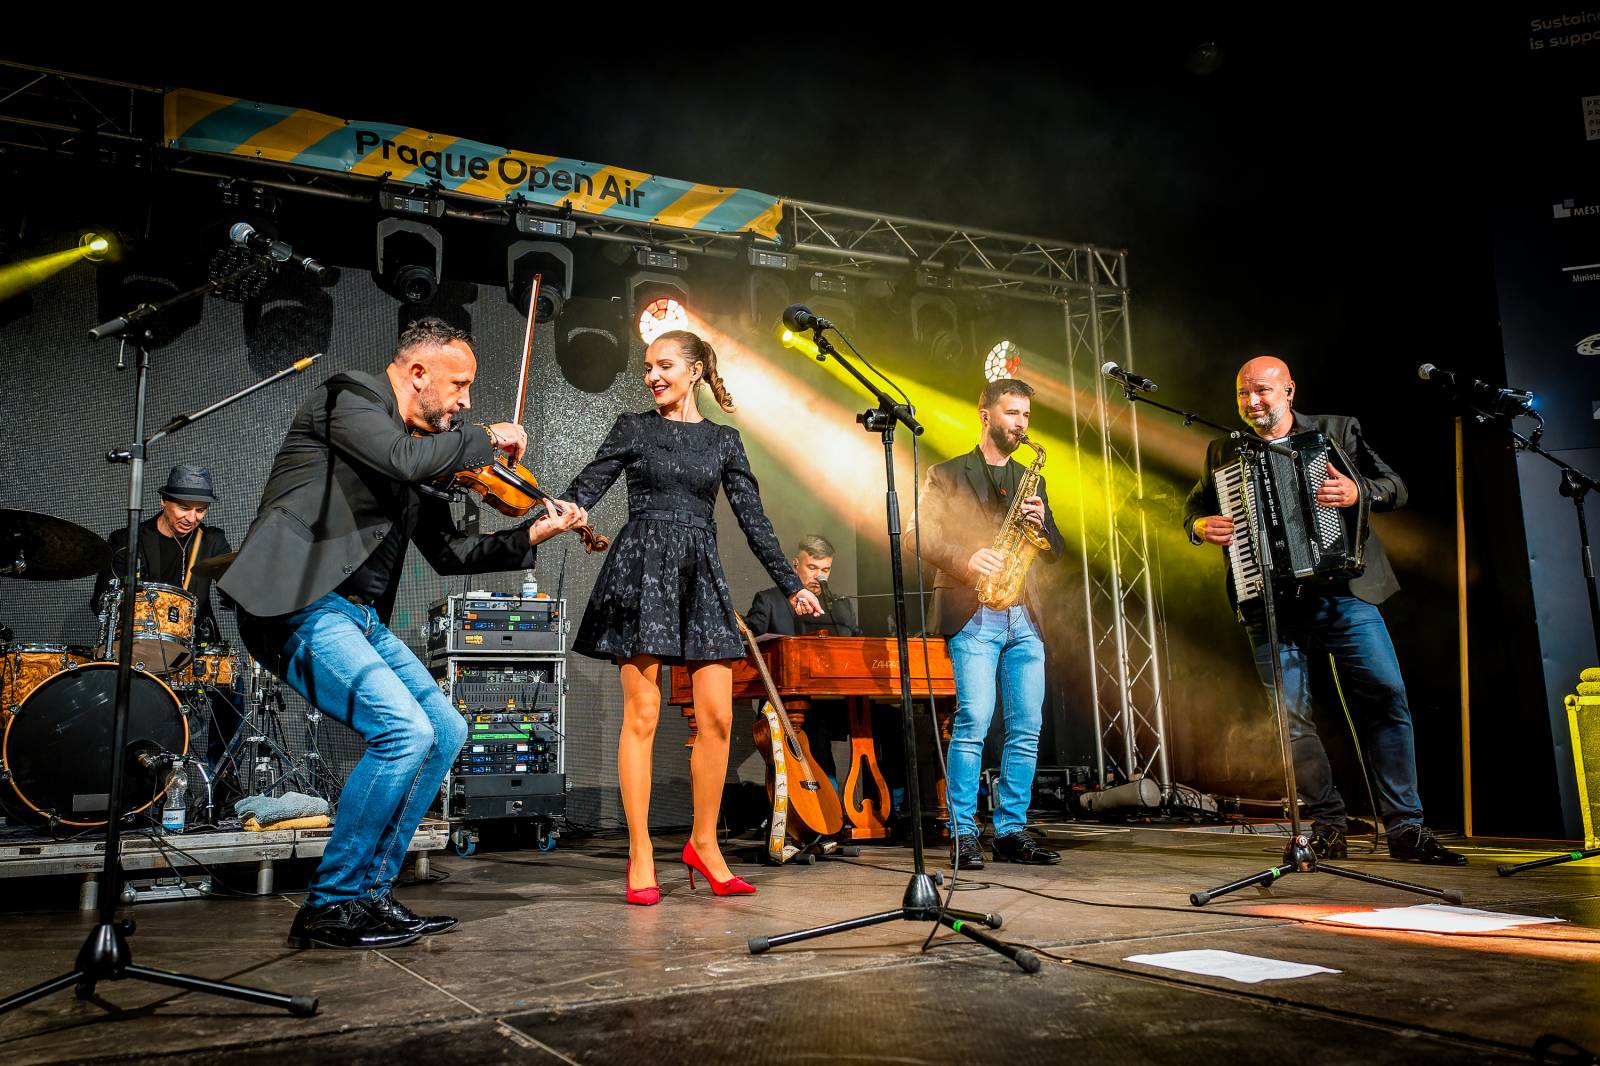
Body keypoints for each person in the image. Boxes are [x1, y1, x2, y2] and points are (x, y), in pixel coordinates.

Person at [219, 317, 590, 949]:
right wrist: (480, 438)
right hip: (301, 602)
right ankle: (331, 902)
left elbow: (452, 555)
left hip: (358, 618)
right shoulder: (349, 397)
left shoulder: (420, 461)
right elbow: (398, 456)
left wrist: (536, 532)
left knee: (445, 731)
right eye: (460, 384)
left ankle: (367, 894)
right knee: (404, 730)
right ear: (417, 372)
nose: (467, 399)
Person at [561, 329, 822, 906]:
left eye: (665, 365)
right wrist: (565, 510)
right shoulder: (634, 427)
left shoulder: (723, 441)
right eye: (648, 366)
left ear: (696, 370)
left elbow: (756, 522)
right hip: (641, 568)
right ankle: (641, 849)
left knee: (718, 721)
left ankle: (704, 844)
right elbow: (585, 488)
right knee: (644, 715)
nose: (653, 375)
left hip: (699, 575)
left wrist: (792, 584)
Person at [1182, 354, 1466, 866]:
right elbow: (1196, 507)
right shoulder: (1224, 451)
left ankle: (1404, 826)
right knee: (1290, 718)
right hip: (1271, 601)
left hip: (1344, 594)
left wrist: (1359, 492)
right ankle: (1328, 823)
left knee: (1385, 695)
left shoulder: (1337, 431)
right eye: (1244, 394)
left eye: (1264, 391)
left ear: (1290, 390)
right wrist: (1200, 527)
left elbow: (1395, 487)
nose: (1253, 402)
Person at [913, 378, 1064, 870]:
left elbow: (1057, 552)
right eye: (1012, 413)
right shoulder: (945, 474)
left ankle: (1012, 830)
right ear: (985, 415)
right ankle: (962, 832)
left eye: (1025, 415)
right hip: (973, 610)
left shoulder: (1032, 479)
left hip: (1024, 614)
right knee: (974, 721)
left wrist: (1043, 525)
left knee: (1026, 728)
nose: (1021, 424)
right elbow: (919, 535)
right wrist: (965, 557)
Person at [92, 464, 239, 768]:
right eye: (184, 508)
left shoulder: (211, 541)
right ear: (164, 501)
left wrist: (242, 586)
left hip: (195, 644)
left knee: (231, 691)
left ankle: (222, 787)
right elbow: (101, 602)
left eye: (201, 510)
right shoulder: (128, 540)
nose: (192, 517)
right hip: (137, 648)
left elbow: (232, 591)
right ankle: (140, 783)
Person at [745, 534, 861, 638]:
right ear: (796, 565)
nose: (819, 576)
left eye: (825, 570)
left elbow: (859, 645)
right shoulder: (769, 601)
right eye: (812, 568)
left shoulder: (842, 605)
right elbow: (748, 644)